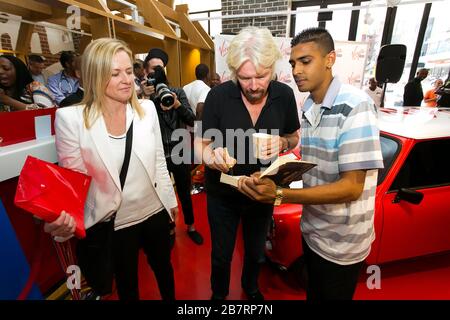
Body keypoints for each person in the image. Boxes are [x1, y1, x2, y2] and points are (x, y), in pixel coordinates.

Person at [237, 27, 384, 301]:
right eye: (293, 63)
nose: (296, 70)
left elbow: (351, 187)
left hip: (342, 243)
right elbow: (311, 164)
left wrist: (280, 194)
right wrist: (273, 175)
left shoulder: (356, 105)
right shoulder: (309, 107)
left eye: (306, 61)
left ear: (330, 59)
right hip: (313, 231)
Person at [43, 38, 179, 300]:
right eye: (115, 73)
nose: (126, 80)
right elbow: (74, 183)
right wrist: (62, 220)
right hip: (115, 222)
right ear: (95, 75)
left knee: (164, 269)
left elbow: (159, 161)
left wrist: (170, 200)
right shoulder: (71, 119)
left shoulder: (147, 110)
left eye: (129, 71)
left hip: (155, 211)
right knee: (127, 285)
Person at [194, 26, 300, 300]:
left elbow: (293, 136)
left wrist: (283, 144)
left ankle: (250, 289)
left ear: (273, 69)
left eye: (261, 76)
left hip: (263, 191)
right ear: (233, 73)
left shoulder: (284, 96)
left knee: (256, 252)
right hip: (223, 193)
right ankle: (218, 296)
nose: (254, 85)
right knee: (221, 255)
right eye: (245, 78)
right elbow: (199, 144)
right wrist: (210, 157)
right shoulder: (217, 97)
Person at [144, 48, 204, 246]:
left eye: (160, 69)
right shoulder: (144, 100)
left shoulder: (177, 92)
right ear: (146, 72)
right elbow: (138, 125)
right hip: (158, 154)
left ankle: (191, 226)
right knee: (163, 193)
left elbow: (192, 119)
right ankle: (169, 228)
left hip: (179, 151)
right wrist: (145, 99)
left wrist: (177, 104)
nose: (157, 72)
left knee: (184, 192)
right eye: (153, 69)